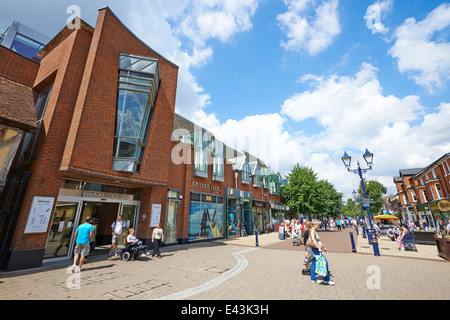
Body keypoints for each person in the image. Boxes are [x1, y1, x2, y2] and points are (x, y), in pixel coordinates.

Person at [308, 220, 335, 285]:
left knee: (314, 263)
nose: (318, 226)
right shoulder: (312, 230)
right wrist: (319, 248)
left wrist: (323, 247)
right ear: (314, 225)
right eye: (317, 224)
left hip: (316, 248)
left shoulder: (314, 230)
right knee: (324, 262)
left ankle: (313, 278)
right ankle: (326, 279)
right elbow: (314, 240)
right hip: (315, 249)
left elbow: (318, 241)